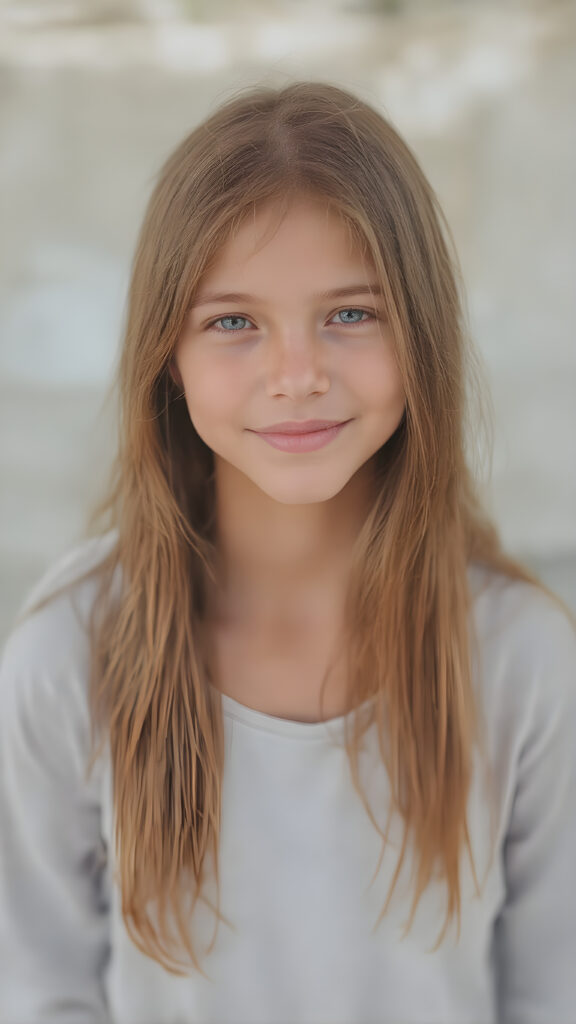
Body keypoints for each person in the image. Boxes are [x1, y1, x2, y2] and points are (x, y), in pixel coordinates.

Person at [0, 81, 574, 1024]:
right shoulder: (69, 660)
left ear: (422, 334)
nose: (298, 374)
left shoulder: (522, 662)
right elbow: (39, 988)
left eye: (351, 313)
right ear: (167, 359)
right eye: (234, 322)